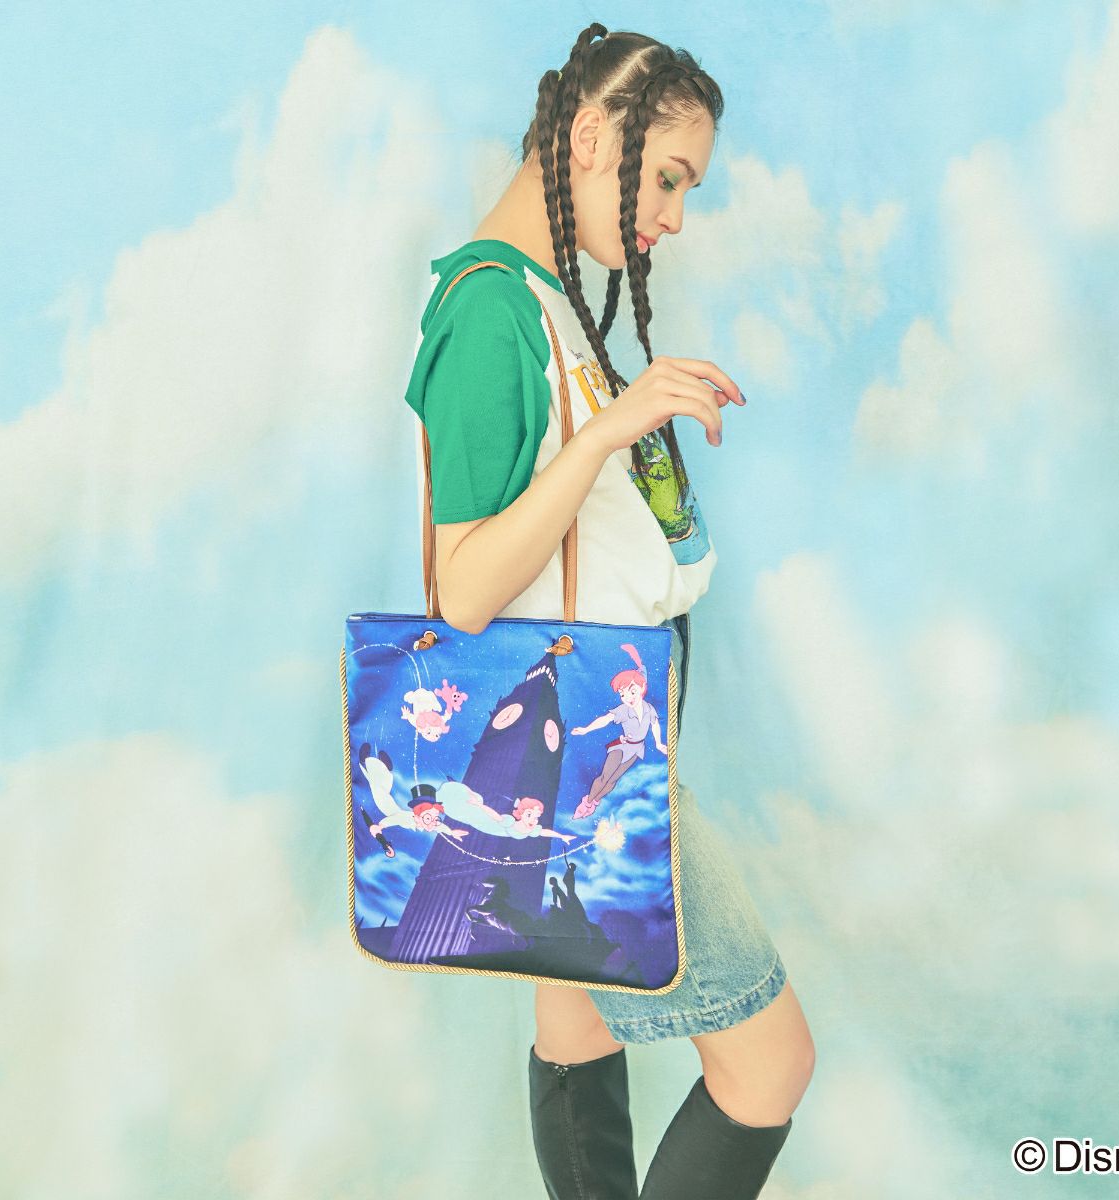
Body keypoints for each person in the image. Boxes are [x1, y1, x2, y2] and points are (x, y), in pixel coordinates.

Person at [403, 23, 815, 1199]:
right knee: (769, 1065)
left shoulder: (543, 302)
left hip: (585, 740)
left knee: (576, 1026)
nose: (675, 217)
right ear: (591, 136)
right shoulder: (490, 311)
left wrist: (624, 432)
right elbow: (463, 588)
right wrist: (606, 435)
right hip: (582, 755)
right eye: (668, 178)